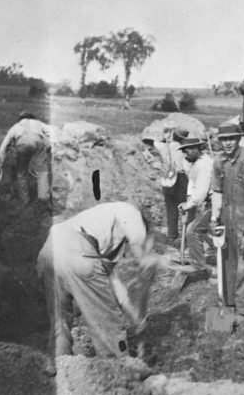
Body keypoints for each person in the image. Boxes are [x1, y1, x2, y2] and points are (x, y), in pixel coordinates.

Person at [36, 201, 163, 358]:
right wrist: (147, 257)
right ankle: (119, 368)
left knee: (60, 321)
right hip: (76, 250)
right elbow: (142, 254)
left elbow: (114, 286)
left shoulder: (102, 222)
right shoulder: (132, 213)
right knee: (106, 321)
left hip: (51, 248)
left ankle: (60, 366)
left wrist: (135, 319)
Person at [210, 123, 244, 322]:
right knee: (227, 264)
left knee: (243, 268)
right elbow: (217, 192)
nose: (227, 143)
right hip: (226, 220)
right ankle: (228, 306)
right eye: (224, 139)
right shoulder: (219, 162)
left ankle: (243, 311)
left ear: (238, 139)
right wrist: (214, 218)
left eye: (231, 139)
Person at [142, 127, 190, 244]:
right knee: (187, 208)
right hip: (182, 178)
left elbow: (149, 143)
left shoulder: (164, 146)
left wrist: (163, 137)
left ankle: (172, 235)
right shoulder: (184, 149)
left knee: (171, 208)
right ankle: (187, 237)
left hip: (168, 177)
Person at [0, 111, 52, 205]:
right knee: (42, 172)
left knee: (21, 173)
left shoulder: (16, 126)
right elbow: (51, 133)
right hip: (38, 142)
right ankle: (43, 200)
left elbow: (3, 147)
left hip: (22, 143)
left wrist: (2, 164)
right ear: (32, 118)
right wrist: (49, 146)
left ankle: (25, 201)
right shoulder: (39, 124)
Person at [177, 136, 215, 268]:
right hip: (211, 202)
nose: (185, 152)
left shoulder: (204, 165)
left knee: (192, 230)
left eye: (188, 149)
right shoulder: (197, 163)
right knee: (205, 230)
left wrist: (188, 205)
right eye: (184, 150)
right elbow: (192, 184)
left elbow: (200, 194)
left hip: (216, 203)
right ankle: (214, 256)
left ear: (198, 149)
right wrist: (189, 199)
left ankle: (199, 267)